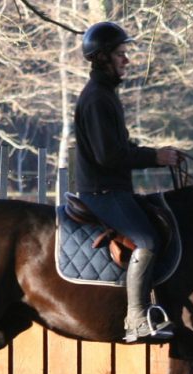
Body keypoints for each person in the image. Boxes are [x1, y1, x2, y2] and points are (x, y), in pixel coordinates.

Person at [74, 21, 179, 343]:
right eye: (121, 54)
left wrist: (157, 155)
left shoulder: (105, 95)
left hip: (115, 188)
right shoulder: (96, 99)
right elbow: (108, 155)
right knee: (146, 240)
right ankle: (136, 318)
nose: (127, 60)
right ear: (103, 57)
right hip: (102, 192)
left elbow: (119, 149)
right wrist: (154, 157)